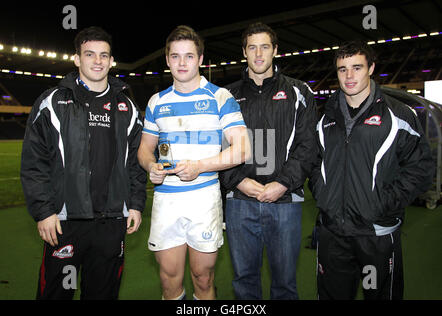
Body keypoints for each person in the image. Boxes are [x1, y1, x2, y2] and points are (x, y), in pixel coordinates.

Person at [20, 26, 147, 300]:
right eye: (90, 54)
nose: (98, 61)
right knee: (56, 294)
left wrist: (135, 204)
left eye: (104, 55)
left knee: (103, 294)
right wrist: (43, 211)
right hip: (65, 222)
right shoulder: (53, 102)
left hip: (112, 223)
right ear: (77, 58)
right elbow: (34, 162)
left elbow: (137, 163)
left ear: (112, 61)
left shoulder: (128, 107)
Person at [308, 40, 434, 300]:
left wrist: (383, 204)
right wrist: (322, 194)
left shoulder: (398, 115)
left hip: (375, 235)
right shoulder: (326, 117)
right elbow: (313, 162)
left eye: (357, 67)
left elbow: (421, 167)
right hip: (333, 234)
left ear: (371, 68)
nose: (349, 76)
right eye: (342, 69)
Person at [137, 25, 250, 300]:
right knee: (169, 281)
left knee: (203, 278)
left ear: (200, 59)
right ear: (167, 60)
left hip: (204, 199)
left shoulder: (220, 97)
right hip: (167, 202)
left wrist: (199, 166)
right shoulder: (156, 101)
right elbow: (144, 149)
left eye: (189, 56)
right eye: (175, 56)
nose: (182, 62)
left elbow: (243, 149)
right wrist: (150, 166)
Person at [219, 22, 317, 300]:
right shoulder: (226, 96)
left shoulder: (300, 93)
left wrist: (282, 184)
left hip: (285, 202)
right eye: (252, 47)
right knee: (244, 281)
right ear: (244, 52)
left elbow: (307, 146)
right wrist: (239, 181)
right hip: (240, 202)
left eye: (265, 47)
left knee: (284, 283)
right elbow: (219, 146)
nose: (259, 54)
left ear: (275, 50)